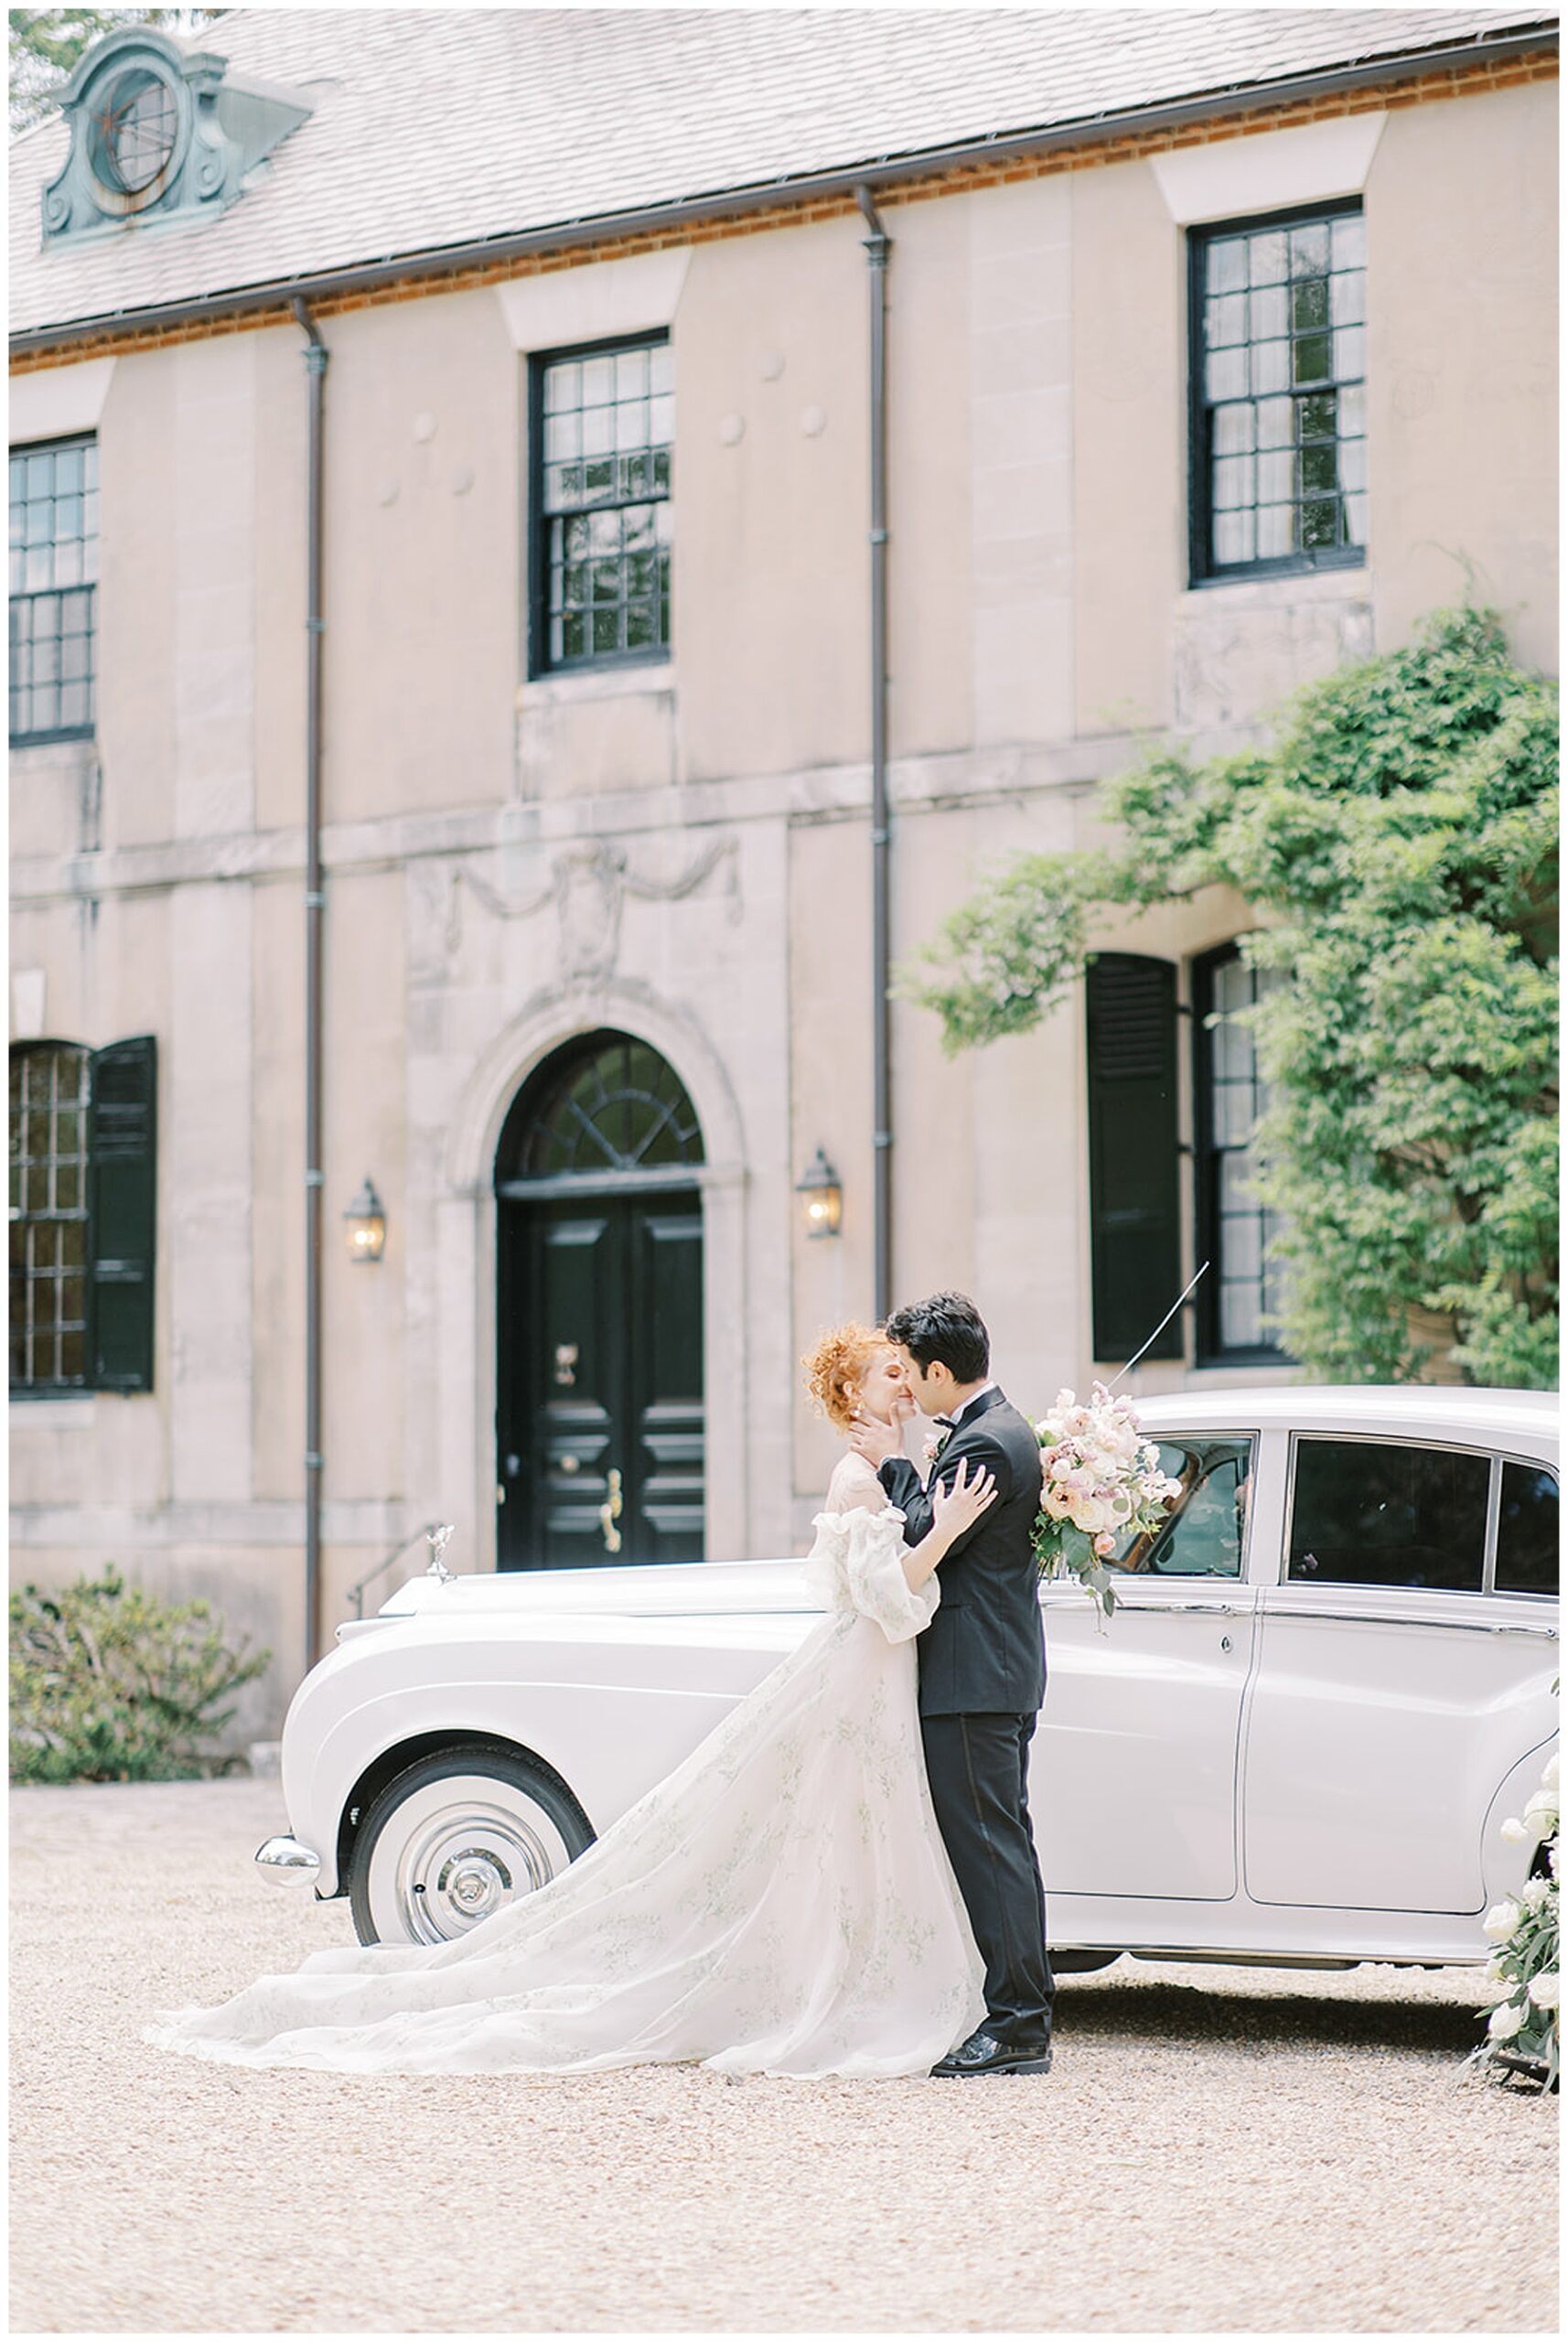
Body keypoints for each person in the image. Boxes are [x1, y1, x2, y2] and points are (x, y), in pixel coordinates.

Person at [142, 1323, 995, 2079]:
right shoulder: (857, 1479)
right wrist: (948, 1530)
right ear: (852, 1393)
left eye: (905, 1372)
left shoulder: (896, 1465)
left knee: (851, 1832)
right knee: (833, 1828)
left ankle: (849, 1964)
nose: (906, 1385)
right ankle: (831, 1982)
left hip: (876, 1674)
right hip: (860, 1672)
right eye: (890, 1374)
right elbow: (885, 1593)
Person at [849, 1291, 1055, 2077]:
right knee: (1002, 1842)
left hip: (973, 1676)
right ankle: (1018, 2012)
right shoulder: (1000, 1428)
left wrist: (893, 1464)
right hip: (994, 1669)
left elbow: (917, 1537)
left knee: (990, 1848)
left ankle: (1017, 2027)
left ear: (940, 1371)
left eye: (911, 1372)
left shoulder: (985, 1448)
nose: (906, 1386)